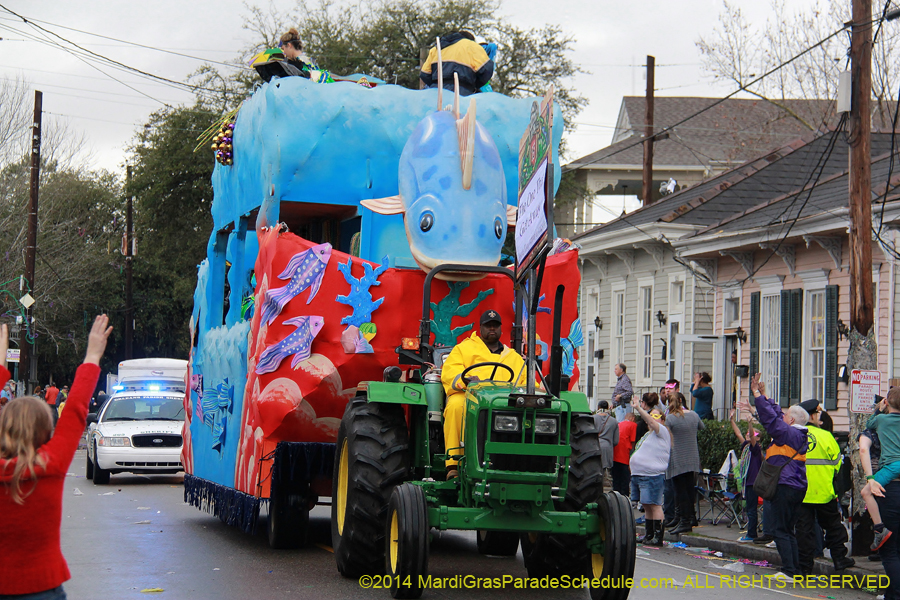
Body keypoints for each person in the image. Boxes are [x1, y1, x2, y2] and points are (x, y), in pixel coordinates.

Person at [0, 315, 112, 598]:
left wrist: (2, 367)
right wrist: (93, 354)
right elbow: (75, 408)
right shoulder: (52, 463)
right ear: (45, 430)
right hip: (42, 586)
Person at [739, 373, 809, 581]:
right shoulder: (796, 433)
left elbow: (771, 420)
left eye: (787, 415)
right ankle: (794, 569)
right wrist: (763, 394)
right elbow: (776, 414)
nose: (783, 416)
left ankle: (789, 570)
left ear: (792, 420)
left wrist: (756, 396)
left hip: (786, 485)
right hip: (795, 485)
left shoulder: (790, 434)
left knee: (781, 529)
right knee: (787, 529)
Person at [441, 309, 526, 478]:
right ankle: (454, 463)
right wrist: (464, 380)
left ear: (501, 329)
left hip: (504, 402)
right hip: (470, 396)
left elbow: (525, 380)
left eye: (495, 326)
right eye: (488, 326)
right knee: (456, 405)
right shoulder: (464, 348)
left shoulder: (514, 357)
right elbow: (450, 371)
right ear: (481, 328)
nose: (492, 329)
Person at [795, 399, 854, 575]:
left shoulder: (794, 436)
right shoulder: (825, 436)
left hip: (800, 493)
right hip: (824, 492)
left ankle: (805, 567)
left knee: (804, 531)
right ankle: (839, 559)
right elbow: (838, 465)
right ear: (812, 416)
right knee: (833, 528)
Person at [629, 396, 671, 546]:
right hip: (639, 475)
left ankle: (658, 537)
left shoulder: (663, 432)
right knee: (646, 505)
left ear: (662, 419)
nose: (652, 419)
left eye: (656, 416)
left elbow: (651, 422)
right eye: (651, 415)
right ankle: (649, 534)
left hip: (652, 476)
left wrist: (639, 409)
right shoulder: (649, 435)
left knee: (654, 504)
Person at [665, 392, 705, 534]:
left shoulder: (670, 419)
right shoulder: (694, 415)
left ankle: (684, 521)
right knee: (689, 489)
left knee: (679, 492)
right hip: (692, 458)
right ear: (683, 401)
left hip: (677, 458)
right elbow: (702, 427)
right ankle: (691, 517)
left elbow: (664, 434)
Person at [419, 31, 494, 96]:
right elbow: (487, 70)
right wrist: (474, 85)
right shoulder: (472, 46)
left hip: (436, 93)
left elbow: (424, 74)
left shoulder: (436, 48)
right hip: (462, 92)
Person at [860, 398, 891, 551]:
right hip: (893, 472)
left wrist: (869, 477)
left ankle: (879, 530)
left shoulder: (872, 430)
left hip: (879, 472)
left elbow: (864, 449)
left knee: (870, 498)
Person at [730, 408, 763, 542]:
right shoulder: (746, 447)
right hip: (747, 482)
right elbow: (738, 433)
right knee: (749, 508)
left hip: (753, 482)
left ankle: (751, 534)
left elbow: (752, 438)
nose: (749, 435)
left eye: (753, 434)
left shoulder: (755, 449)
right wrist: (732, 420)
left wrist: (750, 424)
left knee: (751, 510)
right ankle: (751, 532)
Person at [613, 412, 637, 497]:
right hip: (625, 455)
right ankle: (625, 497)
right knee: (625, 479)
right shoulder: (633, 425)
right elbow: (633, 440)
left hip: (615, 454)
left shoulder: (619, 424)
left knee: (616, 478)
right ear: (633, 418)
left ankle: (615, 496)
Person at [594, 400, 619, 480]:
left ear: (598, 407)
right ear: (608, 408)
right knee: (602, 472)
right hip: (607, 448)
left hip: (594, 446)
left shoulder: (592, 419)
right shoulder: (614, 421)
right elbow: (616, 441)